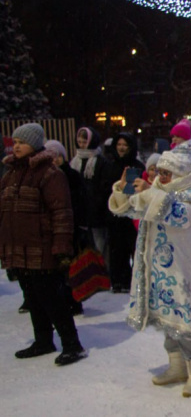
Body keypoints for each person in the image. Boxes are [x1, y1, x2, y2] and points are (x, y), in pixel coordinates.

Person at [108, 144, 191, 397]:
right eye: (159, 172)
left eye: (166, 174)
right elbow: (129, 208)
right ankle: (176, 367)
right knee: (168, 321)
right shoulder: (157, 191)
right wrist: (123, 190)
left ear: (179, 174)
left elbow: (179, 217)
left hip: (182, 272)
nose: (160, 178)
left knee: (185, 321)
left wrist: (150, 193)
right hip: (158, 270)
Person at [1, 124, 87, 366]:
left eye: (22, 142)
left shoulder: (50, 174)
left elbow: (61, 213)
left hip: (43, 247)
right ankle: (43, 340)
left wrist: (61, 247)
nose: (16, 146)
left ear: (36, 144)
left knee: (52, 297)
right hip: (19, 247)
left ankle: (72, 344)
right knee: (32, 296)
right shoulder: (10, 175)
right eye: (15, 141)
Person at [44, 140, 86, 316]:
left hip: (72, 226)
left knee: (72, 268)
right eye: (51, 156)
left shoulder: (72, 175)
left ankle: (74, 302)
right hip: (51, 229)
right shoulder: (45, 177)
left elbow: (82, 199)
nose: (55, 160)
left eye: (57, 156)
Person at [104, 133, 145, 293]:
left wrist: (122, 188)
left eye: (124, 145)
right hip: (113, 214)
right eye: (119, 144)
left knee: (133, 248)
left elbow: (133, 191)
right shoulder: (109, 165)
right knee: (116, 250)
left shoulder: (136, 166)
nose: (121, 148)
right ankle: (118, 280)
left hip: (131, 214)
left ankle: (133, 281)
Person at [69, 126, 110, 255]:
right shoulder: (75, 161)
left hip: (97, 211)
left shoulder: (100, 161)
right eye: (80, 142)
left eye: (84, 142)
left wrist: (96, 201)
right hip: (80, 210)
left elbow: (103, 186)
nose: (82, 145)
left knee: (99, 244)